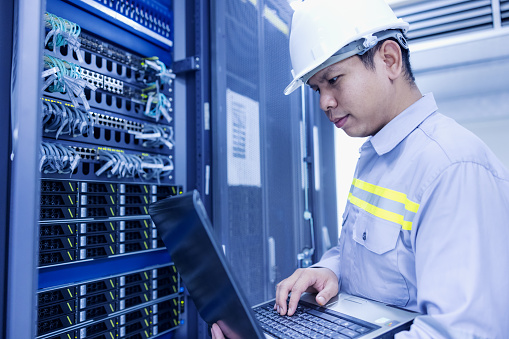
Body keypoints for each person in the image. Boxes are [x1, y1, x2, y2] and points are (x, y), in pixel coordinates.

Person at [213, 0, 509, 338]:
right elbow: (372, 258)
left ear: (389, 60)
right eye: (316, 89)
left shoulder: (453, 168)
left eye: (333, 79)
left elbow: (462, 332)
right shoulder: (378, 156)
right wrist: (330, 270)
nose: (324, 102)